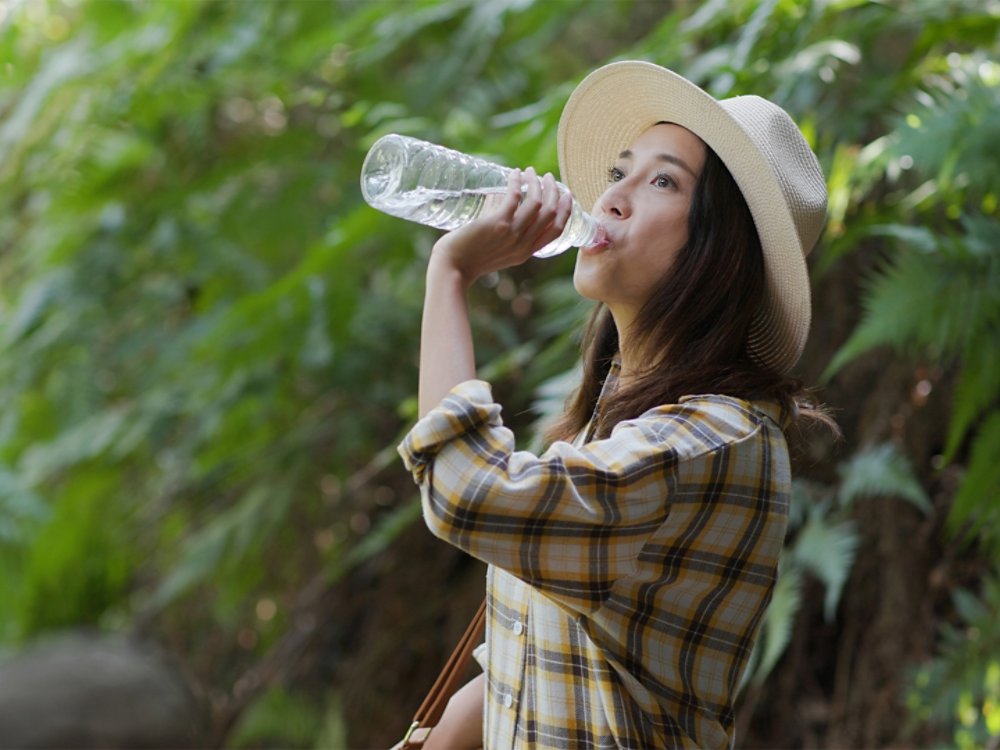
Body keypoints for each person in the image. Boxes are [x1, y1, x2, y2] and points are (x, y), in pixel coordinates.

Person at [396, 60, 835, 750]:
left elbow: (466, 493)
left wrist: (450, 274)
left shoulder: (711, 441)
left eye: (662, 181)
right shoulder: (617, 424)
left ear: (721, 249)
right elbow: (562, 642)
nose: (611, 199)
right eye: (618, 174)